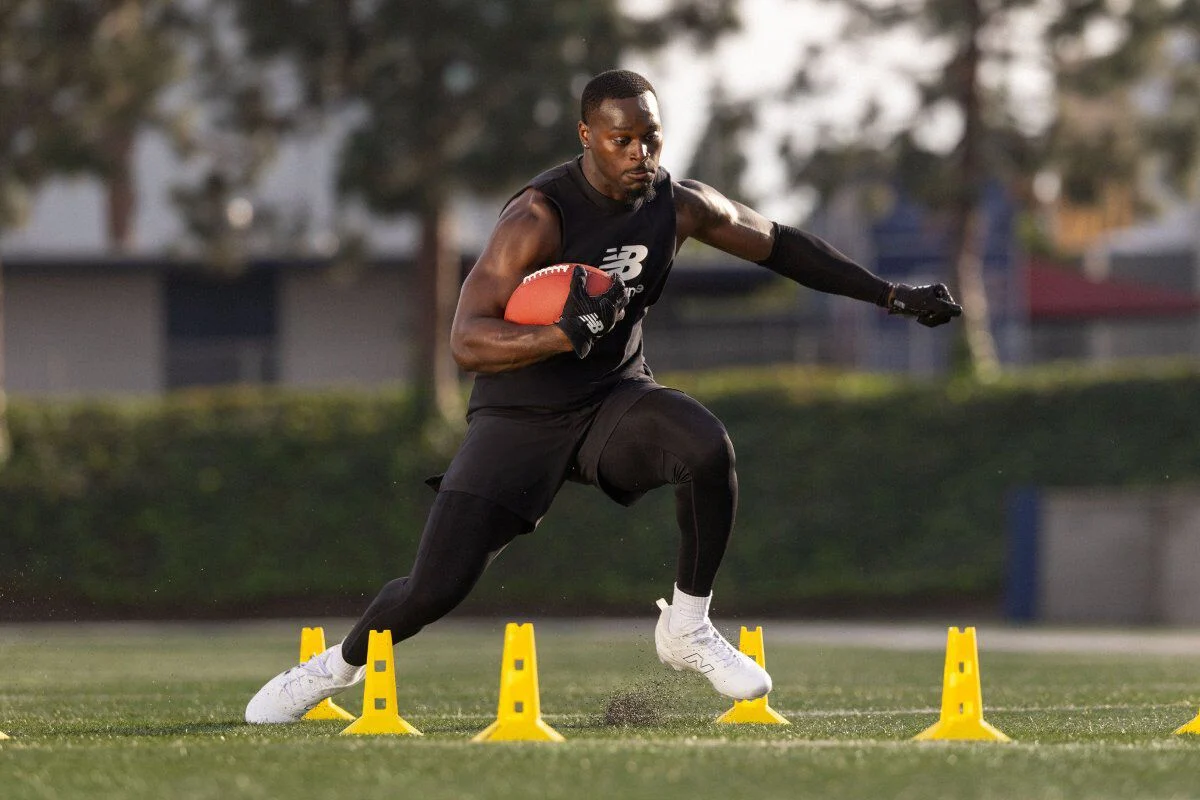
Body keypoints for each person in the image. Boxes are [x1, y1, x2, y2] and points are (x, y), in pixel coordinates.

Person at [245, 69, 960, 723]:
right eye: (622, 140)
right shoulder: (537, 216)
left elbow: (779, 244)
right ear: (587, 136)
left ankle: (687, 626)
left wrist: (890, 295)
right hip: (518, 416)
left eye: (652, 137)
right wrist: (559, 334)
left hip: (613, 400)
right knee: (434, 589)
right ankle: (332, 669)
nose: (640, 153)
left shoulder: (678, 205)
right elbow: (466, 340)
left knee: (705, 447)